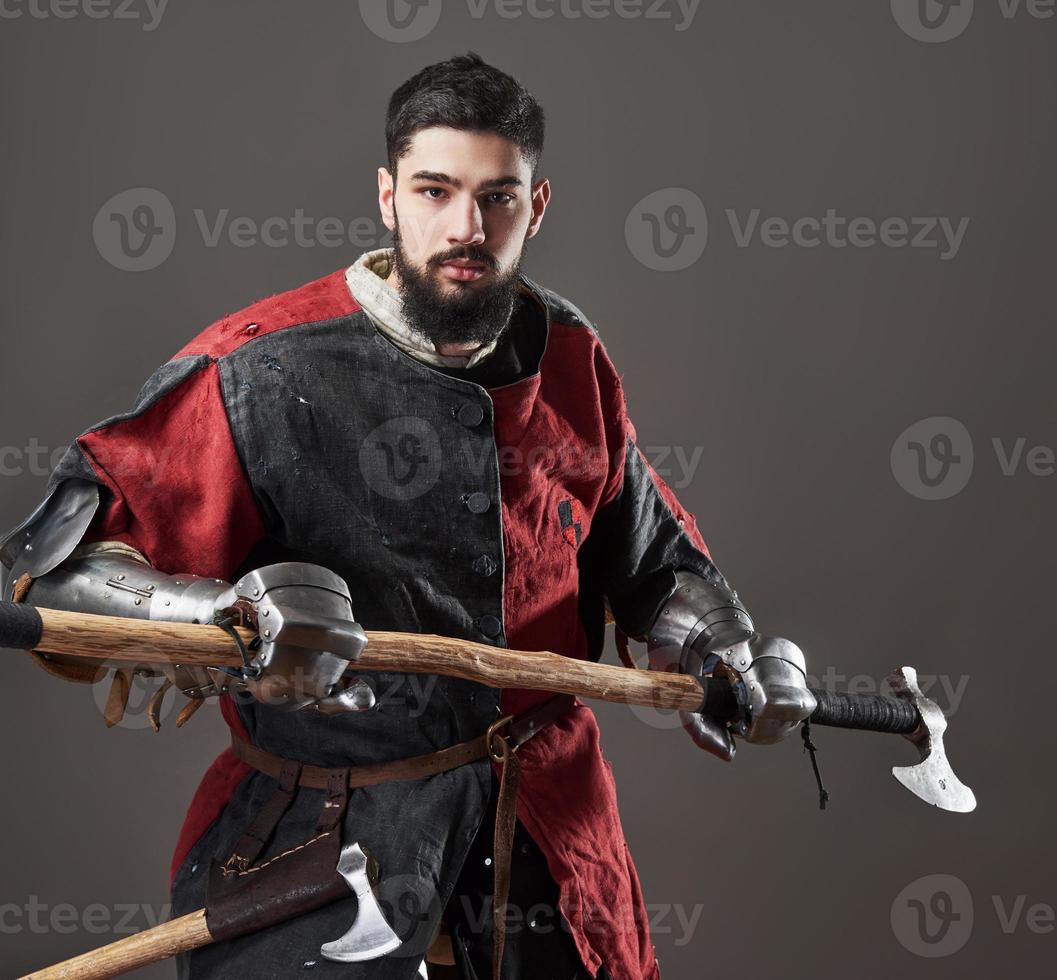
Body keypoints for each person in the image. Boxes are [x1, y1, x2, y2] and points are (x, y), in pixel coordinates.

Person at [0, 53, 811, 979]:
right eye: (435, 190)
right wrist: (223, 620)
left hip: (545, 834)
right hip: (327, 840)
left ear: (535, 206)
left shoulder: (570, 351)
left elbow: (649, 557)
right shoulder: (262, 369)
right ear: (388, 197)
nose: (466, 227)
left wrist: (723, 648)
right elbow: (49, 573)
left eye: (497, 197)